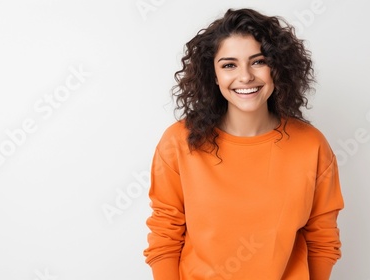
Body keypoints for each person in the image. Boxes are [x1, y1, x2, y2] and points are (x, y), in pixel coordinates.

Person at [143, 8, 344, 280]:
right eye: (229, 65)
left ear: (277, 67)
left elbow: (322, 240)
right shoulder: (179, 142)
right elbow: (165, 237)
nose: (246, 76)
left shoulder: (311, 145)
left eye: (258, 61)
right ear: (213, 75)